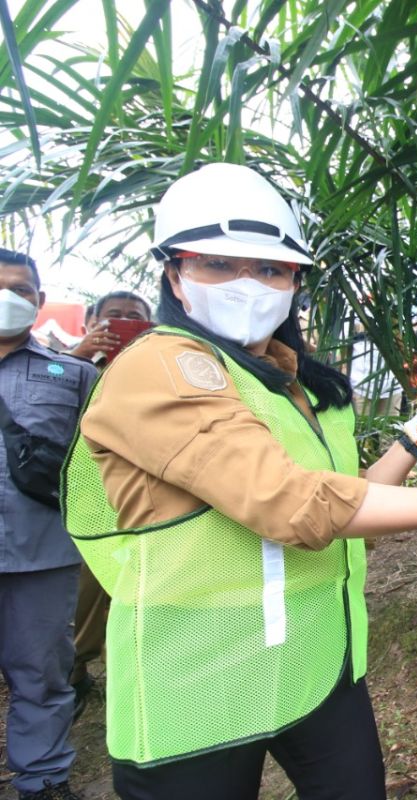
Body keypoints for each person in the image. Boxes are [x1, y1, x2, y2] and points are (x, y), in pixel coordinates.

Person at [61, 163, 417, 800]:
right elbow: (289, 504)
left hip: (312, 665)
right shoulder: (160, 367)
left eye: (269, 268)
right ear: (175, 272)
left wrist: (414, 439)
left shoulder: (288, 381)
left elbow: (345, 508)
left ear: (294, 281)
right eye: (218, 264)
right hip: (199, 677)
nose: (247, 283)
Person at [0, 249, 97, 800]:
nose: (9, 299)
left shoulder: (75, 374)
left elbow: (96, 461)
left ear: (38, 300)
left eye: (21, 289)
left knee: (40, 674)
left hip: (42, 553)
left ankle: (42, 780)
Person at [60, 290, 154, 713]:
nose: (124, 324)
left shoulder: (157, 371)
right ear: (90, 323)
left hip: (141, 505)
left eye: (135, 318)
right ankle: (75, 671)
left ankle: (135, 679)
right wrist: (78, 358)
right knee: (86, 593)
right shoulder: (65, 367)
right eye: (114, 317)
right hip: (86, 506)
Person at [66, 290, 154, 365]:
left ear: (149, 325)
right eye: (114, 315)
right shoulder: (66, 357)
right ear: (96, 322)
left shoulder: (158, 358)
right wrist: (79, 355)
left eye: (134, 317)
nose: (124, 320)